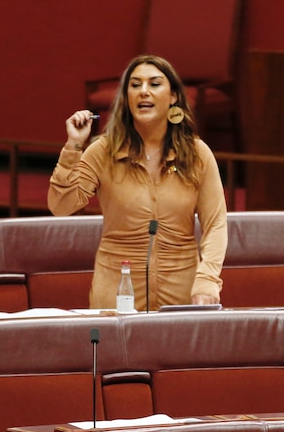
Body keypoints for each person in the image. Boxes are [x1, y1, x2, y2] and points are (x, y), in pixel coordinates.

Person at [48, 55, 228, 310]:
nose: (144, 91)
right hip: (116, 290)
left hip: (182, 291)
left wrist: (208, 279)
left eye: (154, 84)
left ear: (174, 96)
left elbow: (216, 224)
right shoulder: (103, 151)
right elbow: (60, 206)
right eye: (135, 85)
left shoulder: (197, 154)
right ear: (126, 97)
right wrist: (73, 146)